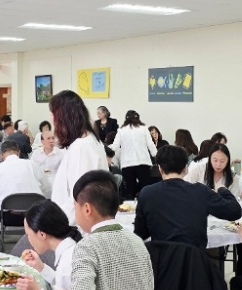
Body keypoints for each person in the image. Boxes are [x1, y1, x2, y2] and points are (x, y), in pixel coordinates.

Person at [135, 145, 242, 248]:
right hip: (193, 258)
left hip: (160, 258)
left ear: (160, 168)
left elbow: (140, 234)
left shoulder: (147, 193)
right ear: (185, 168)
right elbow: (235, 211)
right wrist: (222, 189)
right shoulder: (201, 191)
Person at [49, 91, 108, 224]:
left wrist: (55, 225)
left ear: (63, 117)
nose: (52, 120)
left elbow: (78, 199)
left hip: (75, 226)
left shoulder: (82, 147)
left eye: (53, 114)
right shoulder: (88, 141)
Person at [0, 141, 50, 207]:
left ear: (1, 155)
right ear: (19, 153)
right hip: (34, 211)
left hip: (8, 213)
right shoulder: (32, 165)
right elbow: (47, 187)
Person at [110, 110, 158, 199]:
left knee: (130, 190)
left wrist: (105, 152)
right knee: (145, 188)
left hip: (127, 164)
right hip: (143, 162)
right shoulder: (143, 128)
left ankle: (130, 205)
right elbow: (150, 144)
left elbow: (115, 146)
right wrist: (157, 157)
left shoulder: (121, 130)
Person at [31, 129, 64, 199]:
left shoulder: (61, 154)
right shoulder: (36, 153)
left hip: (56, 182)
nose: (51, 141)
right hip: (40, 183)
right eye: (48, 138)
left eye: (53, 138)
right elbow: (32, 169)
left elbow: (63, 171)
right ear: (42, 141)